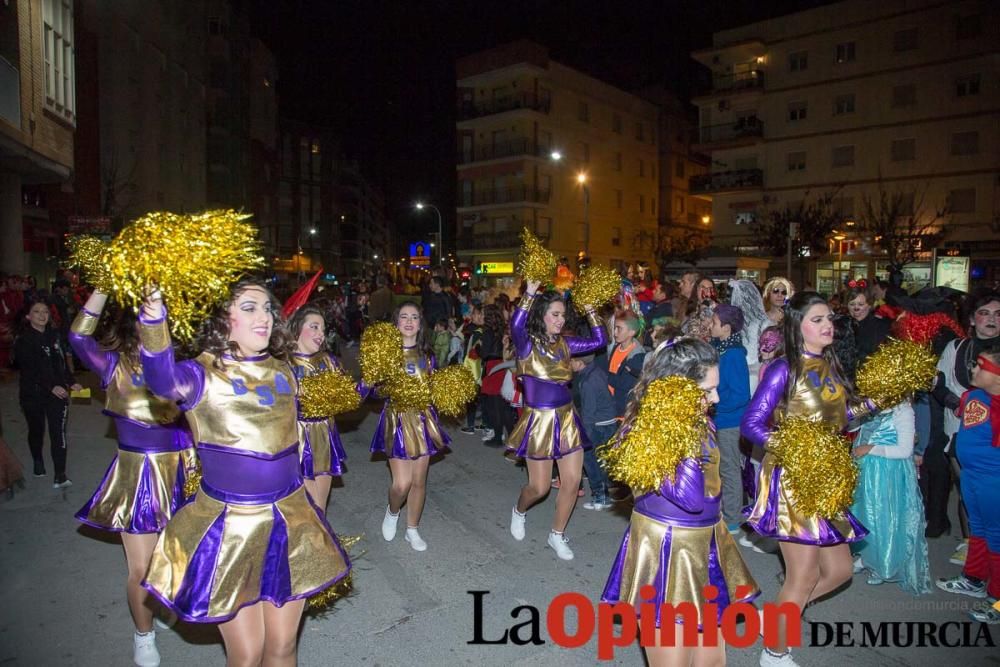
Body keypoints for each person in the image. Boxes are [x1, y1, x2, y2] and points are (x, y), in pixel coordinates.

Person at [138, 280, 350, 665]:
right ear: (224, 319)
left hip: (289, 521)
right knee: (248, 653)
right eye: (250, 307)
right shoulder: (200, 373)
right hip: (231, 530)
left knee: (283, 646)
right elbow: (160, 380)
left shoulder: (284, 370)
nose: (265, 317)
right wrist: (154, 316)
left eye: (268, 308)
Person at [602, 338, 759, 666]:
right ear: (675, 390)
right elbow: (690, 498)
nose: (715, 398)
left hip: (705, 545)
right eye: (706, 390)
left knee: (712, 661)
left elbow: (710, 493)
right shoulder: (648, 430)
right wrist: (678, 425)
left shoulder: (698, 421)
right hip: (666, 549)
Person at [742, 291, 875, 667]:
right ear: (798, 328)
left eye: (829, 318)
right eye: (816, 319)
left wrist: (873, 403)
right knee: (803, 573)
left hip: (824, 479)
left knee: (840, 571)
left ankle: (779, 617)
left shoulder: (830, 365)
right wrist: (796, 449)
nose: (827, 325)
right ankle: (774, 651)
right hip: (793, 478)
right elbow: (752, 425)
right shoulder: (785, 368)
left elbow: (838, 417)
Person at [69, 290, 197, 666]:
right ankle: (143, 634)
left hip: (182, 469)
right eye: (146, 319)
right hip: (137, 472)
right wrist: (103, 287)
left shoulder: (182, 368)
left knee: (177, 558)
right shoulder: (113, 365)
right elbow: (77, 337)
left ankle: (164, 604)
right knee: (140, 569)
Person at [507, 280, 606, 560]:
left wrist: (590, 310)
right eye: (555, 314)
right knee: (538, 488)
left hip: (566, 418)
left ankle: (557, 534)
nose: (560, 320)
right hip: (539, 421)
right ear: (542, 315)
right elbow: (516, 324)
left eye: (563, 315)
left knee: (572, 482)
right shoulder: (526, 343)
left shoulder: (567, 343)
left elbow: (600, 341)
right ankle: (519, 510)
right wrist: (528, 293)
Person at [371, 302, 451, 552]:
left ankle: (412, 529)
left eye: (414, 317)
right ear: (396, 323)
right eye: (403, 316)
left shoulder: (428, 356)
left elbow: (434, 387)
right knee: (401, 484)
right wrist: (384, 386)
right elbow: (374, 391)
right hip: (397, 419)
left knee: (418, 481)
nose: (408, 321)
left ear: (420, 323)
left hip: (423, 420)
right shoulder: (387, 355)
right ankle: (393, 511)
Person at [932, 291, 999, 562]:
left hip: (993, 435)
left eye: (998, 314)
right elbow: (938, 383)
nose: (992, 319)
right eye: (985, 313)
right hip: (959, 430)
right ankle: (973, 549)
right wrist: (956, 403)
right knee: (967, 491)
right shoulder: (956, 347)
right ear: (972, 319)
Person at [936, 344, 1000, 623]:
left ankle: (997, 599)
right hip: (971, 476)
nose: (973, 368)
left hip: (994, 480)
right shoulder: (973, 396)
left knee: (997, 537)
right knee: (979, 529)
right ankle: (974, 578)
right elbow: (952, 404)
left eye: (980, 366)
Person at [850, 399, 930, 594]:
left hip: (887, 474)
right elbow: (853, 425)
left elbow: (904, 450)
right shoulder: (873, 406)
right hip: (867, 472)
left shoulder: (903, 411)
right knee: (865, 514)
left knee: (884, 517)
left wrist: (871, 449)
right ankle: (868, 556)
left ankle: (882, 563)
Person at [288, 305, 349, 513]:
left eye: (322, 329)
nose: (320, 334)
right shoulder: (283, 365)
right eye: (314, 327)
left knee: (320, 508)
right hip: (296, 438)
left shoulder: (329, 361)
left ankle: (318, 544)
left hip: (324, 435)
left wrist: (368, 383)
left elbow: (349, 396)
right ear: (297, 329)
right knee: (311, 505)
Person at [14, 296, 81, 487]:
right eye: (36, 311)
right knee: (36, 430)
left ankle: (60, 474)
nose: (42, 315)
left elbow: (60, 363)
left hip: (58, 394)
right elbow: (30, 369)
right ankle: (37, 460)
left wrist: (71, 381)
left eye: (45, 311)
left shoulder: (55, 335)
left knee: (58, 433)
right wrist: (51, 386)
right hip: (33, 393)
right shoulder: (24, 340)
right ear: (28, 316)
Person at [709, 304, 751, 537]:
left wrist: (714, 405)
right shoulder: (719, 348)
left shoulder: (733, 354)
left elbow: (740, 394)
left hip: (729, 421)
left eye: (714, 322)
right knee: (718, 467)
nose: (710, 325)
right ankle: (722, 510)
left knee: (729, 468)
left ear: (726, 327)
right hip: (718, 419)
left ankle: (733, 519)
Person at [569, 354, 616, 510]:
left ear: (579, 362)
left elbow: (589, 413)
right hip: (608, 422)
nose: (569, 364)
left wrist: (584, 437)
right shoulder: (595, 371)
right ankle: (605, 495)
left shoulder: (588, 381)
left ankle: (600, 496)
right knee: (602, 461)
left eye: (571, 361)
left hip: (598, 425)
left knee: (590, 460)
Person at [478, 304, 511, 447]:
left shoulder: (487, 332)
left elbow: (485, 353)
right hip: (502, 365)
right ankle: (510, 437)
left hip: (492, 367)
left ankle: (498, 438)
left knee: (494, 405)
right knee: (503, 406)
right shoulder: (502, 329)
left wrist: (478, 347)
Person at [846, 285, 891, 366]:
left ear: (869, 305)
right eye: (852, 304)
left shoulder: (881, 326)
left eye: (860, 304)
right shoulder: (843, 326)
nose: (856, 308)